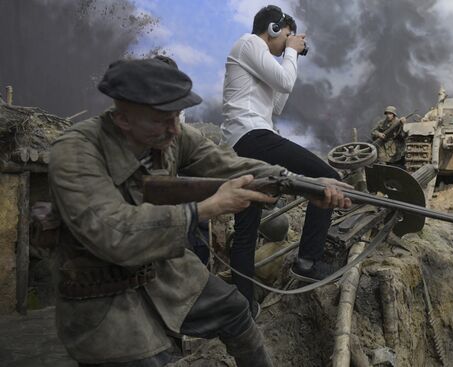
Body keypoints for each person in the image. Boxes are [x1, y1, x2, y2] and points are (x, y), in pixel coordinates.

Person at [48, 58, 350, 367]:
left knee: (235, 311)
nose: (175, 128)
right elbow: (114, 233)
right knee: (147, 358)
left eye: (178, 115)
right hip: (102, 295)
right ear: (123, 118)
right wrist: (208, 208)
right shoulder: (75, 151)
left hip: (166, 273)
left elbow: (230, 165)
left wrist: (299, 183)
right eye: (162, 119)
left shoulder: (172, 136)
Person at [220, 5, 343, 314]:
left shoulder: (259, 59)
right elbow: (285, 82)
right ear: (273, 29)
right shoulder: (250, 43)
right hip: (252, 136)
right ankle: (307, 261)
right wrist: (290, 51)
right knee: (326, 177)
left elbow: (277, 105)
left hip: (244, 140)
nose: (289, 41)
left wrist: (290, 57)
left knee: (246, 228)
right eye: (286, 34)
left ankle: (244, 305)